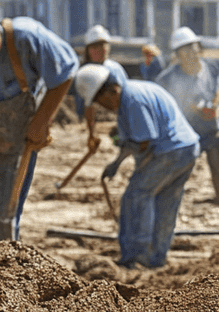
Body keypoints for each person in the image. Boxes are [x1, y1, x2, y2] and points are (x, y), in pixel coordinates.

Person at [74, 64, 200, 268]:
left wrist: (119, 158)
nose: (102, 106)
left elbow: (143, 142)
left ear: (112, 90)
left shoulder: (132, 100)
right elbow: (140, 139)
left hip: (170, 151)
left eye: (100, 100)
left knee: (137, 196)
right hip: (187, 148)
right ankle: (156, 258)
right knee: (165, 202)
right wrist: (116, 163)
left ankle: (136, 257)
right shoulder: (133, 92)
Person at [0, 15, 79, 240]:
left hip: (16, 142)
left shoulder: (25, 37)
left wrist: (41, 121)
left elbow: (65, 70)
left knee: (2, 215)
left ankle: (4, 258)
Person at [156, 27, 219, 231]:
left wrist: (216, 107)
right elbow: (163, 107)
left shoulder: (211, 69)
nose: (190, 54)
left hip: (211, 131)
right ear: (177, 55)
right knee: (176, 177)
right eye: (184, 51)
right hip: (185, 135)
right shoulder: (168, 78)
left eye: (193, 48)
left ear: (199, 49)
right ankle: (165, 221)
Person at [76, 25, 129, 149]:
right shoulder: (85, 73)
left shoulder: (115, 70)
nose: (102, 50)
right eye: (96, 47)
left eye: (104, 46)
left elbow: (126, 100)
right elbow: (87, 104)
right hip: (91, 122)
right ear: (88, 50)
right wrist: (91, 134)